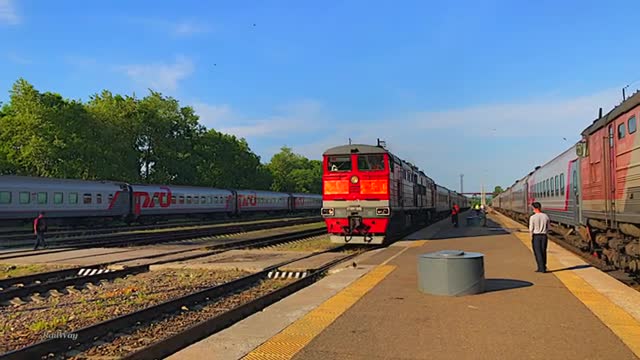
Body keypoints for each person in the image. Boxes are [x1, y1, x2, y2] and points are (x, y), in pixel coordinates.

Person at [529, 202, 550, 273]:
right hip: (544, 236)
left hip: (536, 236)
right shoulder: (545, 216)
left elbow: (531, 228)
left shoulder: (532, 217)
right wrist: (545, 232)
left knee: (537, 252)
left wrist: (531, 235)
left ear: (535, 208)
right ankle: (544, 266)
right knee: (543, 251)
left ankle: (541, 268)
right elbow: (548, 227)